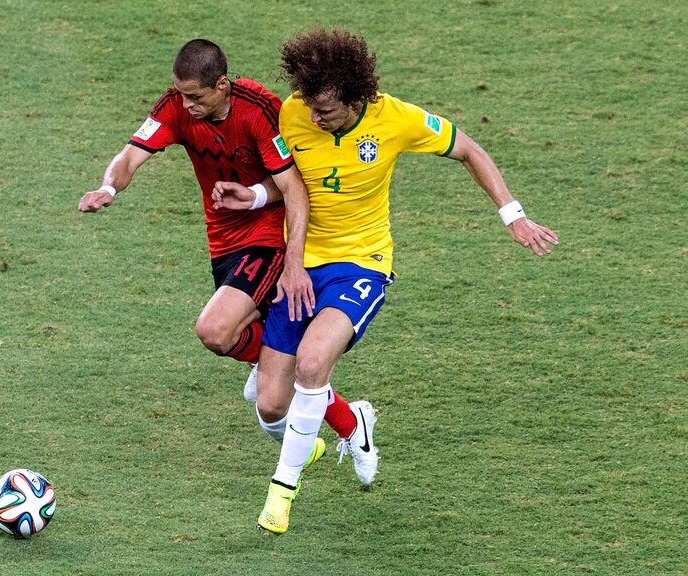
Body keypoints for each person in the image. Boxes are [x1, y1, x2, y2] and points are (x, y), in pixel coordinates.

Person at [214, 28, 558, 534]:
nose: (314, 116)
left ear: (357, 98)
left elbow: (470, 150)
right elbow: (290, 181)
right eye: (309, 105)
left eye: (326, 110)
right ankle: (353, 422)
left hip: (361, 264)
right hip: (300, 265)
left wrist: (515, 216)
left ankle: (281, 491)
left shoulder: (394, 118)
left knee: (312, 363)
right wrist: (257, 198)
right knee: (268, 406)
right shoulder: (291, 112)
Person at [78, 39, 364, 462]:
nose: (186, 104)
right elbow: (129, 156)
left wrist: (291, 257)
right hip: (222, 242)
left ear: (222, 85)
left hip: (267, 236)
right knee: (249, 366)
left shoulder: (259, 109)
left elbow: (292, 185)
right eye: (180, 94)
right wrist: (107, 188)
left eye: (195, 96)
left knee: (214, 330)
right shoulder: (174, 107)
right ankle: (347, 419)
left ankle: (321, 404)